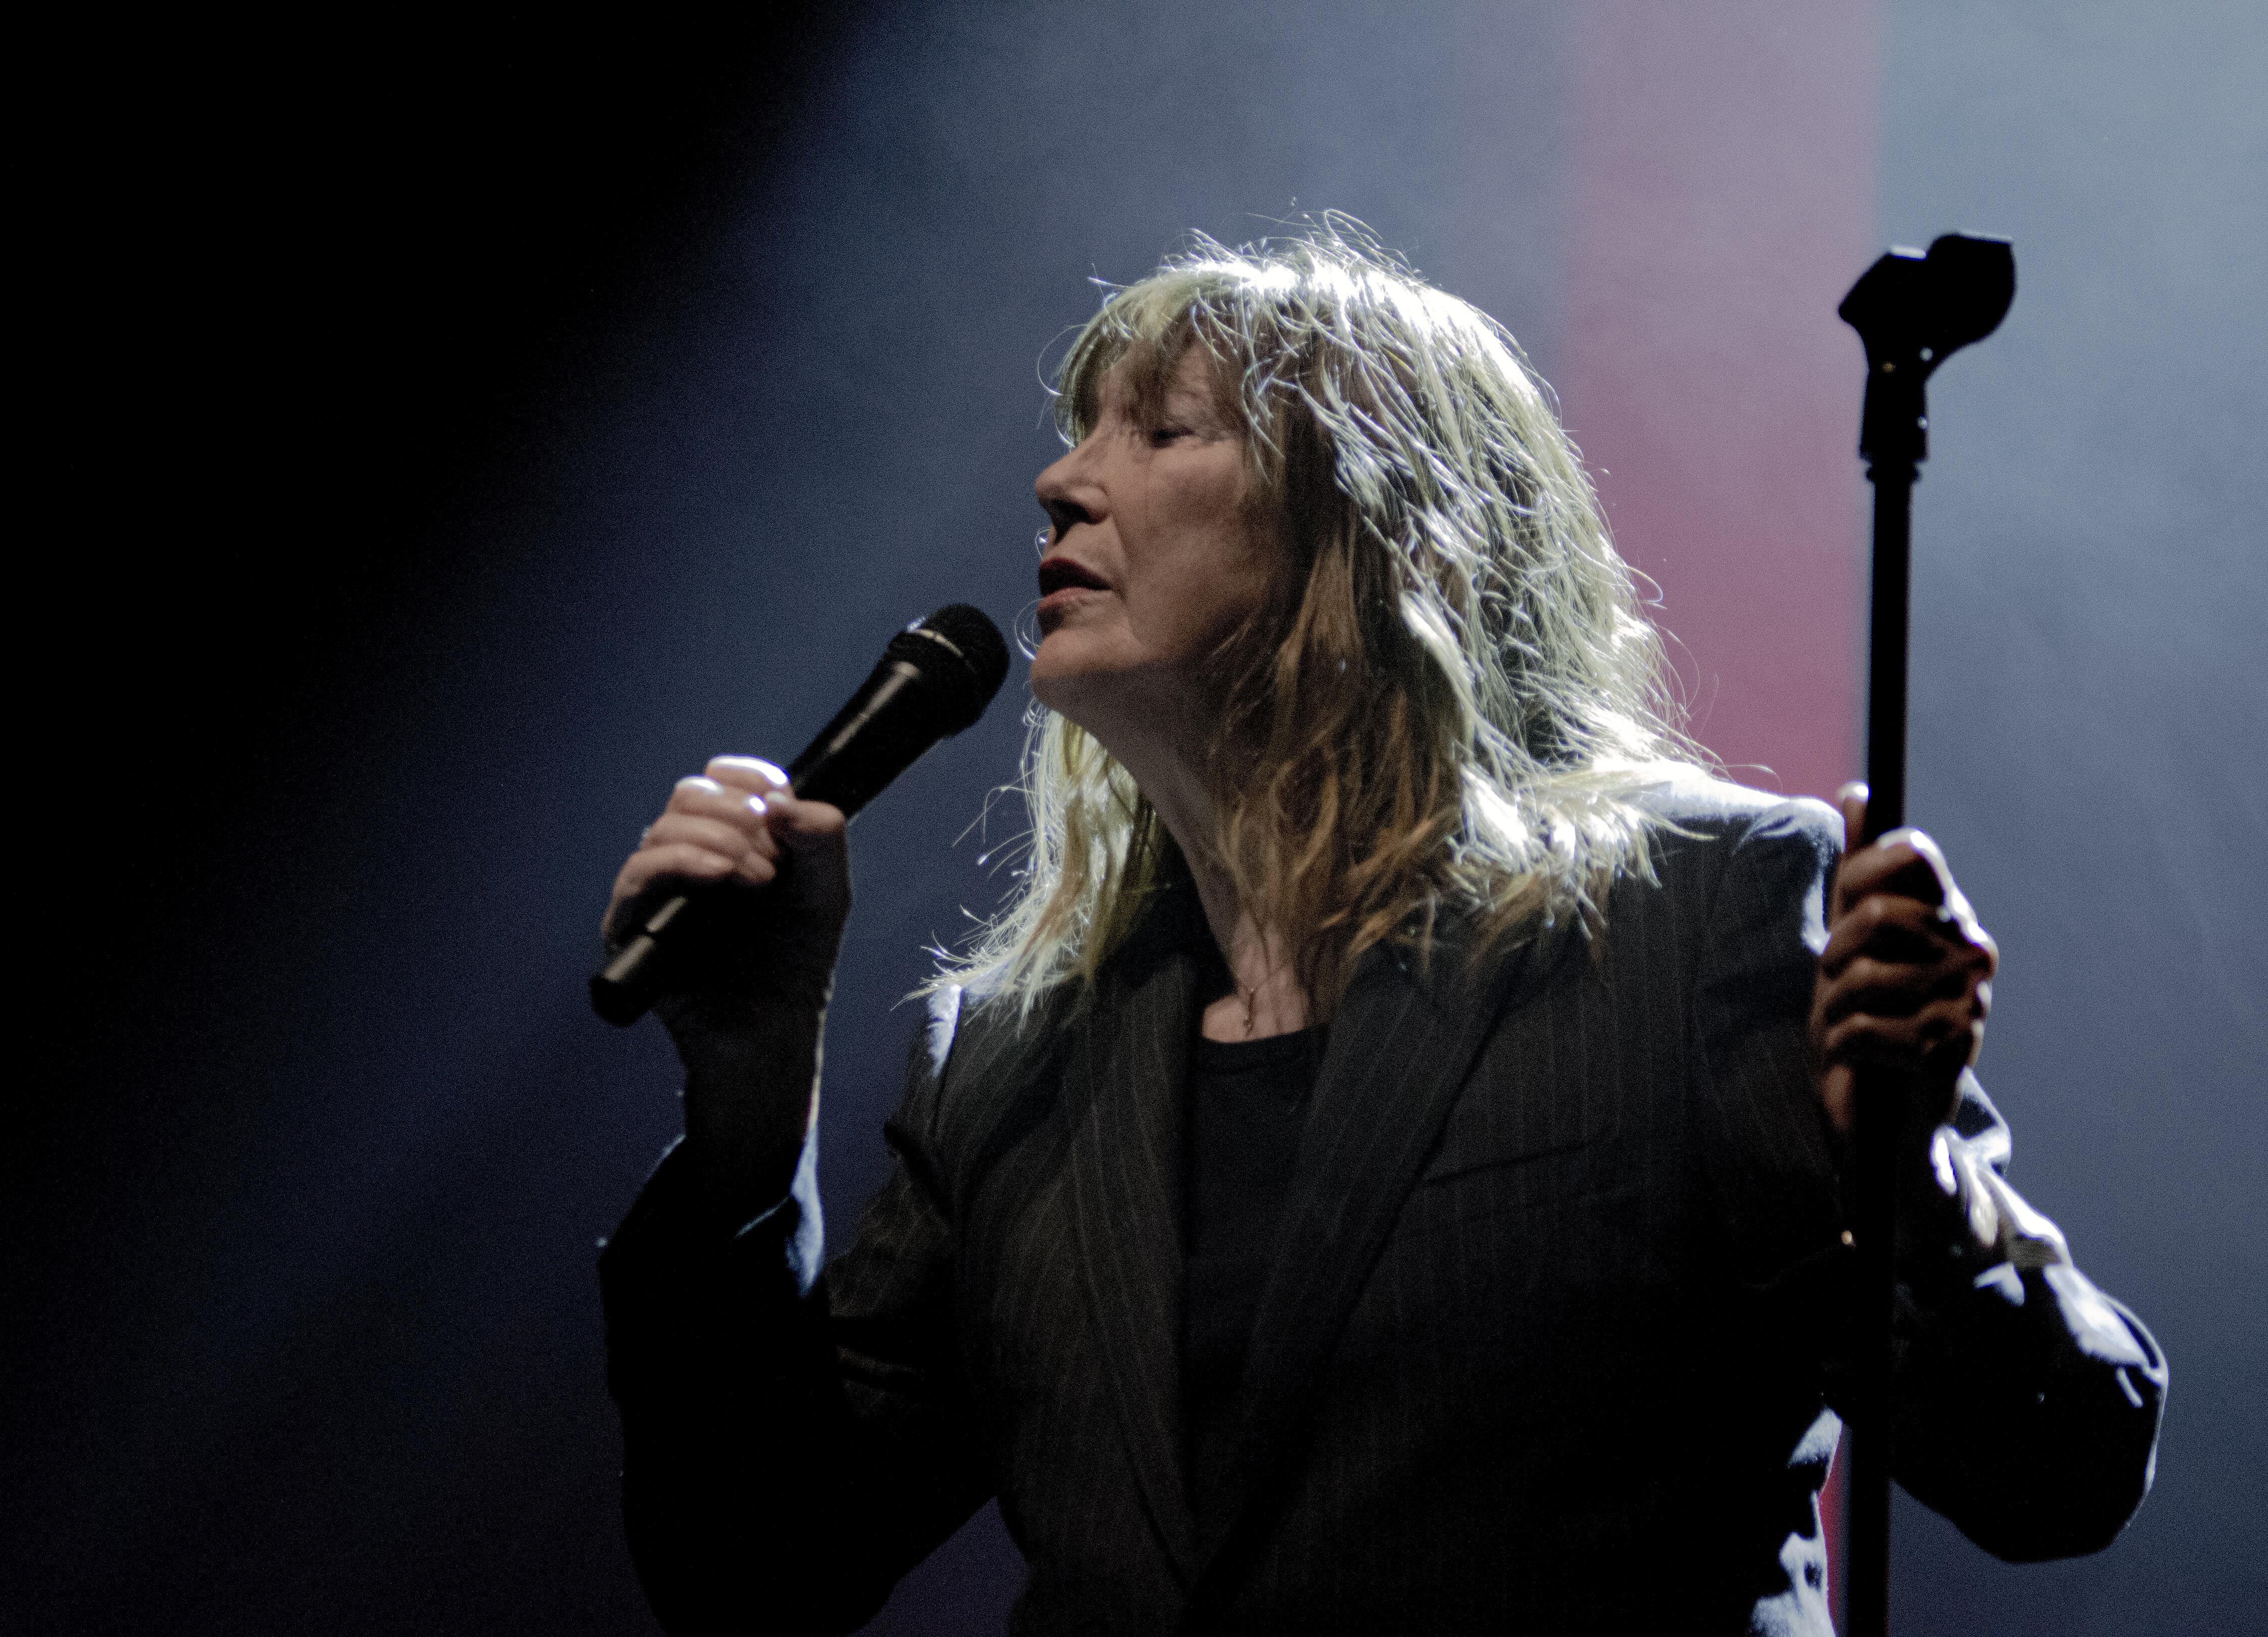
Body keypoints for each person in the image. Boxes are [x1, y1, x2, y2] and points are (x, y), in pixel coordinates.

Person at [595, 224, 2164, 1634]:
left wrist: (1923, 1192)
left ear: (1383, 528)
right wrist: (747, 1095)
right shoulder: (1009, 1061)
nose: (1060, 482)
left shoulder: (1703, 915)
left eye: (1162, 428)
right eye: (1078, 432)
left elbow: (2054, 1477)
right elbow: (757, 1578)